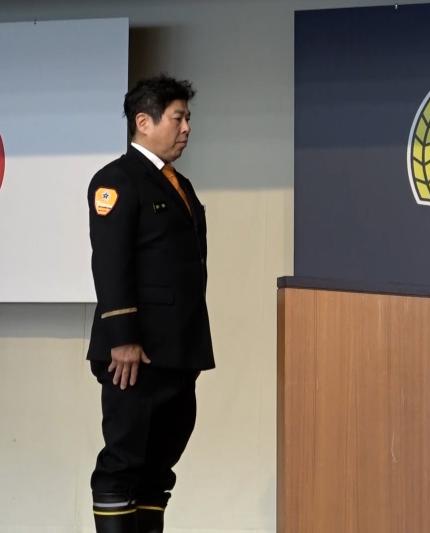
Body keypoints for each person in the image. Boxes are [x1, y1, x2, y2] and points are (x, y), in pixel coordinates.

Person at [86, 75, 214, 533]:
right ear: (144, 121)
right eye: (178, 118)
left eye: (187, 118)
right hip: (135, 355)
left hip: (176, 352)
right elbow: (111, 262)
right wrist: (122, 339)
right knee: (124, 461)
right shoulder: (117, 180)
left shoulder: (180, 185)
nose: (187, 128)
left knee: (158, 468)